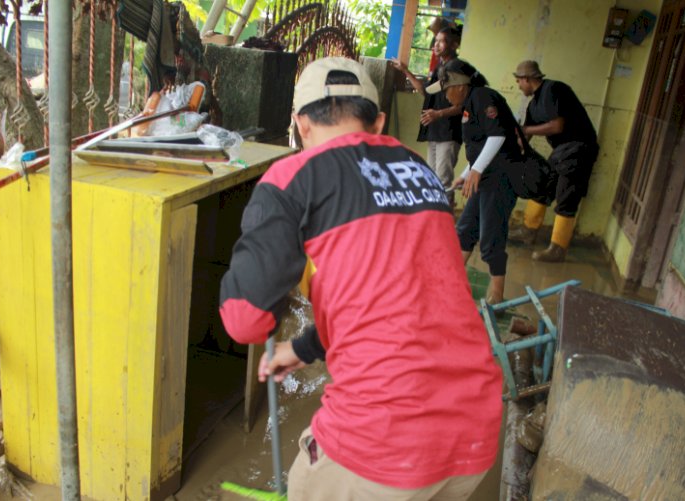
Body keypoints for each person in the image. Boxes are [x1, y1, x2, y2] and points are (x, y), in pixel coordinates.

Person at [219, 57, 502, 501]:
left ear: (298, 125)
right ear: (380, 122)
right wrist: (303, 347)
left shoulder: (291, 179)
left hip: (383, 442)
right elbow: (398, 299)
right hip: (475, 431)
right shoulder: (420, 172)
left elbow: (246, 321)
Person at [428, 59, 520, 305]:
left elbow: (498, 135)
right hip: (486, 176)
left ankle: (497, 294)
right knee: (466, 228)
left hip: (501, 178)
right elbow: (479, 147)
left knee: (491, 236)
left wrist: (476, 170)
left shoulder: (482, 97)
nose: (445, 96)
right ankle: (451, 279)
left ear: (459, 85)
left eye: (447, 90)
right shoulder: (470, 103)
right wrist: (467, 173)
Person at [509, 60, 599, 262]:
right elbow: (525, 135)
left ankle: (558, 248)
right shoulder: (533, 104)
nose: (518, 86)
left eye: (518, 81)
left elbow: (557, 126)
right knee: (542, 183)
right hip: (561, 150)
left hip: (579, 147)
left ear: (527, 79)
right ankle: (528, 231)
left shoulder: (554, 89)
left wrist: (527, 131)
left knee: (566, 195)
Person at [391, 26, 462, 202]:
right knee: (432, 178)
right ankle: (434, 216)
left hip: (449, 132)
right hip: (435, 130)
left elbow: (461, 105)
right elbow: (425, 91)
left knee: (443, 181)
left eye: (441, 41)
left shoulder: (457, 69)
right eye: (435, 40)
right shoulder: (440, 67)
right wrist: (405, 70)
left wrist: (438, 114)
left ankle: (445, 220)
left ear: (453, 45)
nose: (436, 45)